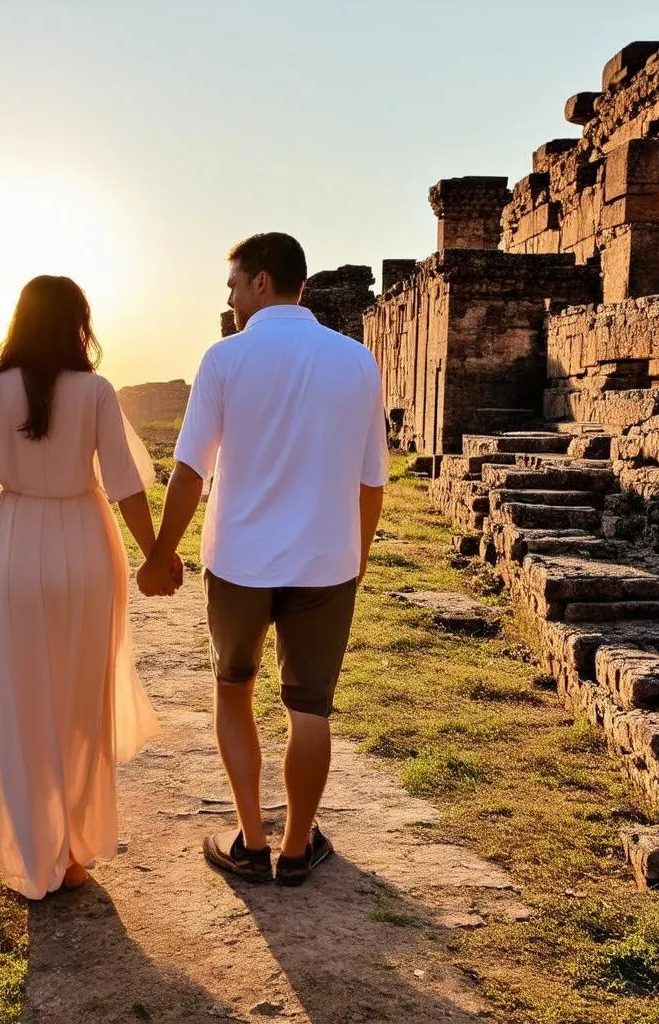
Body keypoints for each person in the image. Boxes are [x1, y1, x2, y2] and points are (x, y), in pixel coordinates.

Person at [138, 233, 388, 886]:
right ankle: (299, 848)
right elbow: (371, 482)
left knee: (234, 689)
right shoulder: (356, 361)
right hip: (326, 561)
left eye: (233, 283)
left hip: (240, 560)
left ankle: (251, 840)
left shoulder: (226, 360)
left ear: (262, 282)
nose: (229, 296)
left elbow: (190, 471)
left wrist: (161, 554)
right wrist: (354, 560)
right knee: (310, 709)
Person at [0, 275, 171, 899]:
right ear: (78, 325)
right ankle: (69, 851)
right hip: (86, 549)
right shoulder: (95, 392)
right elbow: (124, 485)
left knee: (16, 702)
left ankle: (33, 851)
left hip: (12, 548)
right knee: (78, 703)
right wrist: (156, 555)